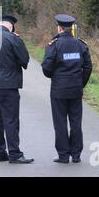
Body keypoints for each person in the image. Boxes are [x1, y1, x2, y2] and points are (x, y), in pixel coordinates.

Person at [0, 15, 34, 164]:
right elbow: (25, 60)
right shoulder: (13, 39)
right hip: (9, 85)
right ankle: (15, 154)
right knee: (11, 119)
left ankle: (0, 153)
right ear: (11, 26)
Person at [41, 14, 93, 164]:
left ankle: (63, 155)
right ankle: (76, 155)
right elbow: (88, 67)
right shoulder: (81, 45)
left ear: (59, 27)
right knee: (76, 122)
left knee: (60, 122)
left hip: (59, 90)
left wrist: (55, 77)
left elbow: (46, 67)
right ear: (71, 28)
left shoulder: (54, 45)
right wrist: (80, 82)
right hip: (76, 89)